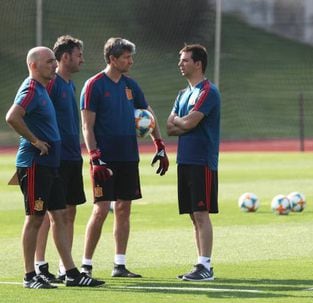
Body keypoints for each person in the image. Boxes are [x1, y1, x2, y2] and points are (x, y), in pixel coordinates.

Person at [5, 46, 104, 289]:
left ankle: (71, 272)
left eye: (53, 61)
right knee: (35, 218)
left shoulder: (42, 89)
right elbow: (12, 116)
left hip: (51, 166)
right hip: (36, 164)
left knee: (59, 216)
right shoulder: (30, 89)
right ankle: (30, 276)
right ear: (34, 66)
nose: (53, 65)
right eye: (49, 62)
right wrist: (35, 140)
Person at [79, 37, 169, 278]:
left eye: (131, 56)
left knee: (124, 208)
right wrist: (95, 156)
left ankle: (119, 264)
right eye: (126, 57)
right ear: (112, 59)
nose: (131, 61)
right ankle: (85, 265)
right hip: (104, 159)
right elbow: (87, 126)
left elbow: (148, 114)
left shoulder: (131, 85)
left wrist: (159, 144)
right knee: (100, 209)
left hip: (129, 156)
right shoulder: (94, 85)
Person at [34, 35, 87, 283]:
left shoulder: (70, 85)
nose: (82, 60)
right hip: (56, 157)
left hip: (73, 156)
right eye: (78, 55)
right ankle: (40, 264)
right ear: (65, 57)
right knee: (49, 213)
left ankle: (66, 268)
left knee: (69, 212)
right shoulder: (52, 84)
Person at [167, 44, 221, 281]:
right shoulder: (182, 94)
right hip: (185, 160)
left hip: (202, 161)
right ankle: (200, 264)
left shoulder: (208, 92)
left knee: (201, 213)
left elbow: (186, 124)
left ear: (198, 64)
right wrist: (184, 121)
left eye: (185, 60)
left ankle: (206, 266)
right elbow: (170, 127)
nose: (180, 64)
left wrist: (182, 121)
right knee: (192, 214)